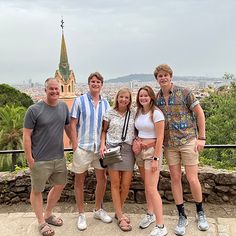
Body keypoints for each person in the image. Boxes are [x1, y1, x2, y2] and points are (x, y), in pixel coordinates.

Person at [154, 64, 209, 235]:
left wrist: (201, 137)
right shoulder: (157, 99)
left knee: (192, 178)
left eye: (165, 75)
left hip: (187, 141)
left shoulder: (184, 92)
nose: (163, 78)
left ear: (171, 76)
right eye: (160, 76)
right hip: (170, 145)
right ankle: (182, 215)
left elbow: (200, 113)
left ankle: (200, 212)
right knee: (175, 179)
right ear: (157, 79)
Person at [23, 78, 71, 236]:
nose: (55, 91)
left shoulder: (63, 107)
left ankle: (48, 214)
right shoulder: (34, 110)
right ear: (45, 90)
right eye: (51, 89)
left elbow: (67, 126)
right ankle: (41, 222)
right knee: (37, 190)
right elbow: (26, 135)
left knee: (60, 185)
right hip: (40, 159)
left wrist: (74, 143)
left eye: (57, 89)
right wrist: (29, 157)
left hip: (59, 156)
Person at [70, 72, 112, 231]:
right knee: (79, 181)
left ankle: (97, 210)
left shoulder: (105, 103)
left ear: (102, 84)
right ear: (89, 84)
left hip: (99, 148)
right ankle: (81, 213)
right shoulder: (79, 101)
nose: (95, 84)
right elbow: (73, 124)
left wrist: (103, 144)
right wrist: (75, 146)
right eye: (93, 81)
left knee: (103, 179)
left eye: (98, 82)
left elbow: (105, 127)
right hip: (83, 147)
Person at [100, 88, 135, 232]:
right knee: (115, 184)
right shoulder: (109, 113)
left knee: (126, 184)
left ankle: (118, 211)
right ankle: (120, 216)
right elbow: (104, 131)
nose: (124, 100)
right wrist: (102, 145)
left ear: (129, 99)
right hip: (112, 149)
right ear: (117, 97)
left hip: (128, 149)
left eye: (126, 97)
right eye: (121, 97)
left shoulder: (133, 113)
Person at [134, 85, 167, 236]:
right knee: (147, 186)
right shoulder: (139, 112)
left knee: (152, 189)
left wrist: (156, 158)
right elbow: (138, 131)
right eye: (141, 96)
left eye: (146, 95)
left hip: (152, 153)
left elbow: (160, 138)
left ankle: (161, 226)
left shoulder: (157, 114)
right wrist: (137, 141)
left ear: (151, 97)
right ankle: (150, 214)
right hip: (140, 151)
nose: (143, 98)